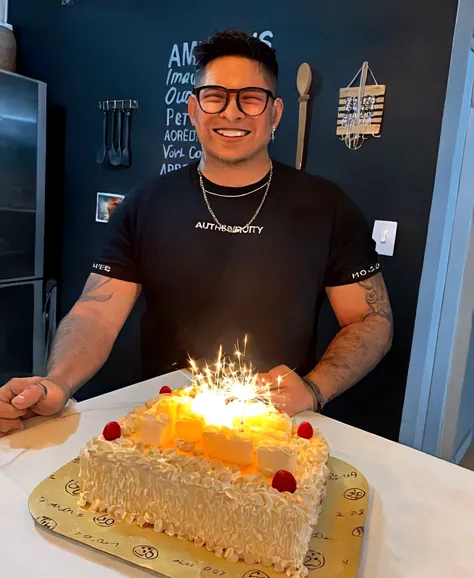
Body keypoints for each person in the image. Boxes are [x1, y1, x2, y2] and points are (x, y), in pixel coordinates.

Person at [0, 29, 392, 435]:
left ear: (275, 114)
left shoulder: (326, 206)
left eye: (251, 98)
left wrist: (313, 388)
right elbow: (96, 313)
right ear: (193, 108)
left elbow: (371, 319)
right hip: (164, 424)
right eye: (215, 95)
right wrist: (57, 382)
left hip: (277, 425)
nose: (232, 112)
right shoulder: (145, 204)